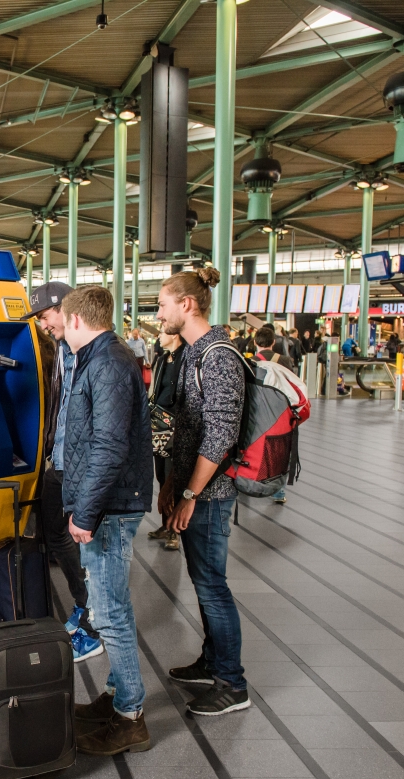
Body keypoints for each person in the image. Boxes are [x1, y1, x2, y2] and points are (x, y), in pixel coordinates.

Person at [56, 286, 153, 755]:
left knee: (108, 612)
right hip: (107, 503)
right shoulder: (103, 358)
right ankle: (117, 695)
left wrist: (85, 511)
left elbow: (109, 446)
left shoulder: (109, 363)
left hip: (109, 507)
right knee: (114, 605)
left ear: (76, 320)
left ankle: (130, 714)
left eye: (59, 321)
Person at [156, 268, 250, 717]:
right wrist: (172, 484)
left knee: (213, 586)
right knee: (202, 581)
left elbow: (221, 435)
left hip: (211, 495)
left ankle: (232, 683)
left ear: (186, 304)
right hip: (193, 487)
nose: (159, 315)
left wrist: (191, 496)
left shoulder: (218, 356)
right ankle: (213, 660)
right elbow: (188, 430)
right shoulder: (195, 352)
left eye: (162, 305)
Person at [23, 281, 104, 662]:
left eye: (44, 316)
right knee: (56, 534)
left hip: (81, 468)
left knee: (88, 546)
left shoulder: (96, 357)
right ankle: (82, 605)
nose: (41, 324)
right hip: (58, 461)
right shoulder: (61, 352)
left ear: (67, 310)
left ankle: (94, 623)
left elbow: (106, 434)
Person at [146, 330, 184, 550]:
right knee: (161, 475)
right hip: (159, 424)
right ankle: (165, 524)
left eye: (162, 333)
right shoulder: (161, 359)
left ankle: (174, 531)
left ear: (175, 335)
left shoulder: (186, 358)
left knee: (173, 478)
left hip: (177, 426)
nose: (158, 337)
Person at [252, 328, 290, 504]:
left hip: (256, 411)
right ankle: (278, 491)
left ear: (255, 342)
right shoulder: (284, 361)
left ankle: (247, 482)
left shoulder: (250, 361)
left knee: (250, 447)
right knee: (277, 451)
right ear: (274, 342)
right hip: (279, 412)